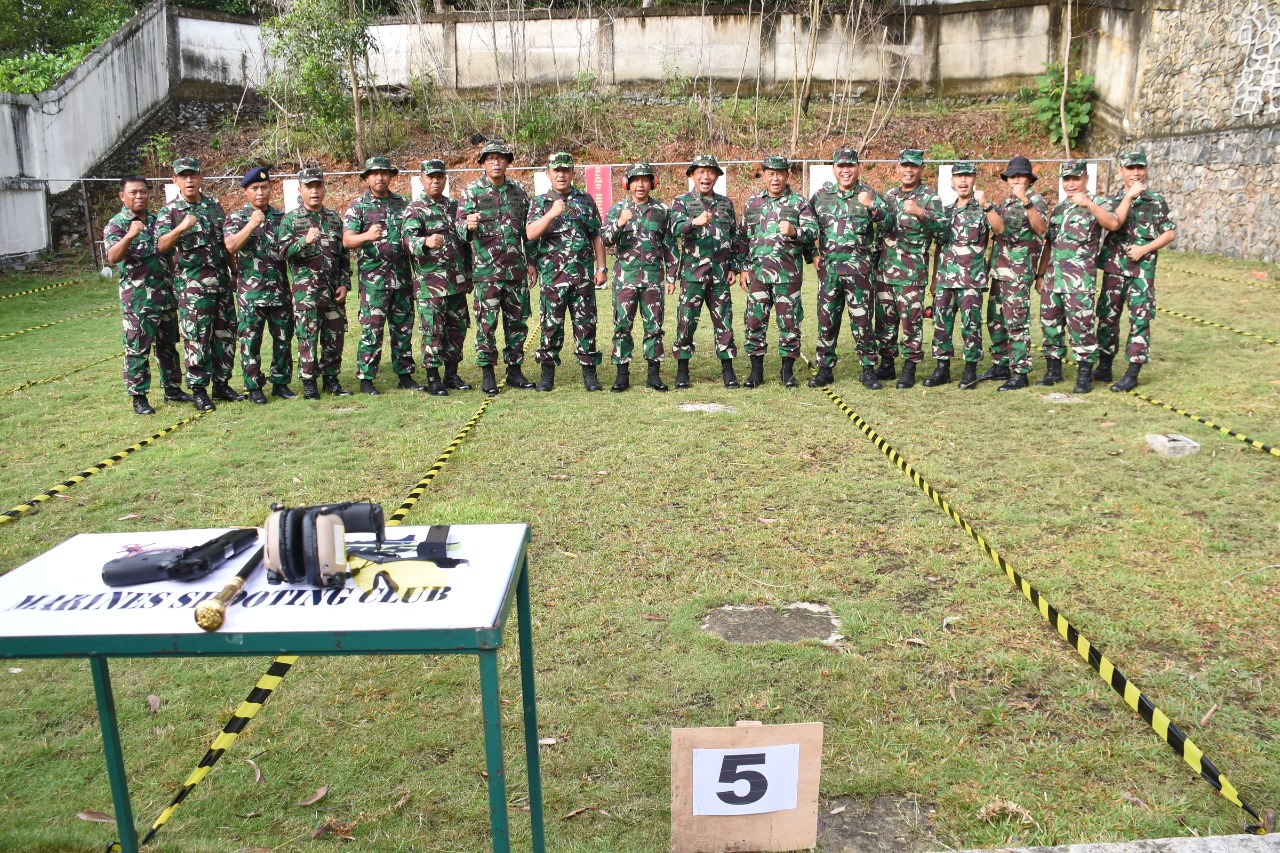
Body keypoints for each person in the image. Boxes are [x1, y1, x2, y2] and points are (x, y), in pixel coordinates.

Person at [155, 157, 241, 411]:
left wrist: (234, 270)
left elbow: (225, 244)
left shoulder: (214, 206)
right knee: (197, 337)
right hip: (193, 288)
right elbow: (161, 246)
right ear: (175, 181)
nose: (189, 180)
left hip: (221, 284)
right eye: (183, 176)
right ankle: (199, 389)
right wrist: (181, 228)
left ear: (201, 178)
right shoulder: (169, 212)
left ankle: (222, 384)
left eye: (193, 175)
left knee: (225, 334)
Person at [103, 175, 191, 414]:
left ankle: (173, 389)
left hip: (165, 296)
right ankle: (139, 397)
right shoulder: (117, 224)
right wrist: (130, 234)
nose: (139, 196)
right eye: (133, 192)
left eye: (143, 191)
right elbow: (112, 257)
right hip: (138, 301)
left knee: (168, 346)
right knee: (137, 349)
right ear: (123, 196)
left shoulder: (158, 220)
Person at [457, 138, 535, 395]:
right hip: (487, 274)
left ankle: (514, 370)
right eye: (490, 158)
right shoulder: (472, 192)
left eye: (500, 158)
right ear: (482, 163)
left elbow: (529, 231)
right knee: (486, 324)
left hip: (515, 271)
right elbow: (459, 230)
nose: (496, 162)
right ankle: (488, 373)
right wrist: (466, 226)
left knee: (517, 323)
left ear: (508, 162)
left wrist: (531, 261)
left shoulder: (518, 192)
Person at [1095, 150, 1176, 392]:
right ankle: (1105, 365)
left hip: (1142, 272)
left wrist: (1144, 249)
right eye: (1130, 168)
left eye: (1140, 167)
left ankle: (1132, 372)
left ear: (1146, 169)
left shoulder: (1156, 201)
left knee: (1140, 319)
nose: (1136, 172)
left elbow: (1169, 233)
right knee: (1107, 318)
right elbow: (1111, 222)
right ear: (1121, 171)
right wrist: (1128, 198)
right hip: (1115, 269)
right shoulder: (1112, 201)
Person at [1036, 160, 1120, 393]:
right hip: (1054, 278)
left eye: (1075, 179)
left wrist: (1089, 204)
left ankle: (1084, 374)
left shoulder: (1099, 203)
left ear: (1086, 178)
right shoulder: (1060, 208)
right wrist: (1041, 274)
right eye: (1067, 179)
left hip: (1079, 281)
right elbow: (1050, 244)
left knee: (1081, 327)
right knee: (1050, 325)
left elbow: (1112, 223)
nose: (1071, 184)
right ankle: (1053, 369)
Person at [526, 152, 607, 391]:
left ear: (573, 173)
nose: (561, 175)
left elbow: (597, 234)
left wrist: (601, 267)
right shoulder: (540, 202)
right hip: (553, 277)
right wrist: (552, 213)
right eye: (556, 171)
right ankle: (547, 374)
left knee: (586, 324)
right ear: (549, 173)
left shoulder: (585, 199)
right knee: (551, 325)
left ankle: (589, 373)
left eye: (565, 170)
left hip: (582, 275)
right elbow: (530, 234)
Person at [807, 147, 886, 389]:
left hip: (859, 273)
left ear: (857, 167)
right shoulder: (821, 196)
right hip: (830, 272)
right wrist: (813, 255)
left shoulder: (869, 195)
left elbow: (888, 226)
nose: (845, 170)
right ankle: (824, 369)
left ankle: (868, 369)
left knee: (862, 321)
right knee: (826, 319)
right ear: (834, 168)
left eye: (850, 166)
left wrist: (872, 207)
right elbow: (807, 227)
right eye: (840, 166)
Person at [343, 156, 422, 395]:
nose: (380, 177)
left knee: (403, 329)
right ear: (367, 178)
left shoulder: (403, 204)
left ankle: (405, 374)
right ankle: (367, 378)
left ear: (390, 176)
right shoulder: (358, 206)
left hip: (402, 279)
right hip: (374, 282)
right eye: (374, 173)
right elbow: (347, 240)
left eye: (384, 173)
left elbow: (412, 237)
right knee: (372, 330)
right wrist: (366, 236)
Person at [739, 155, 817, 388]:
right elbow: (742, 238)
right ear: (763, 175)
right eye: (770, 173)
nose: (775, 178)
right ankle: (756, 372)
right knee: (754, 322)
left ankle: (787, 371)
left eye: (780, 173)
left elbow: (813, 231)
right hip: (759, 276)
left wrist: (795, 232)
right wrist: (744, 268)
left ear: (787, 175)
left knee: (790, 324)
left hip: (787, 276)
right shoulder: (752, 203)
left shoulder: (799, 203)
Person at [924, 161, 1004, 389]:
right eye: (959, 176)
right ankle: (942, 369)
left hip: (971, 279)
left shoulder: (983, 209)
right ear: (951, 181)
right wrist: (934, 278)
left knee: (971, 324)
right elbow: (939, 245)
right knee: (941, 323)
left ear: (974, 179)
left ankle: (970, 370)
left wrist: (987, 205)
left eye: (967, 176)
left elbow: (999, 230)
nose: (963, 180)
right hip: (946, 279)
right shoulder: (946, 212)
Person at [601, 162, 678, 392]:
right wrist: (620, 223)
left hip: (653, 279)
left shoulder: (662, 211)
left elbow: (670, 245)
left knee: (654, 326)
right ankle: (622, 375)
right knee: (622, 326)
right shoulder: (617, 210)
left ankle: (653, 375)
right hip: (625, 279)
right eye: (635, 180)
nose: (640, 185)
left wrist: (672, 275)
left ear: (652, 183)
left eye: (645, 179)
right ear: (627, 184)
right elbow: (605, 240)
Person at [669, 154, 743, 389]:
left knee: (724, 322)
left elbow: (734, 236)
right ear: (692, 175)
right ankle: (682, 369)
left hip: (721, 274)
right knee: (686, 321)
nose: (706, 176)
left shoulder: (725, 203)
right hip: (693, 274)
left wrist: (734, 266)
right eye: (700, 172)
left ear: (717, 177)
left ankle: (728, 370)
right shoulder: (681, 202)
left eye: (711, 172)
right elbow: (675, 229)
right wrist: (694, 222)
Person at [277, 167, 352, 399]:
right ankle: (309, 383)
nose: (314, 191)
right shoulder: (290, 219)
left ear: (324, 188)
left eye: (318, 186)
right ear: (300, 190)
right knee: (307, 338)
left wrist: (344, 284)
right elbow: (282, 252)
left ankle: (331, 379)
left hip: (332, 291)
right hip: (306, 293)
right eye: (309, 187)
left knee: (334, 337)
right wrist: (304, 241)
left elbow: (343, 256)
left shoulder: (333, 219)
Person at [403, 159, 473, 396]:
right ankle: (433, 378)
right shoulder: (415, 209)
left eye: (439, 177)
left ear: (445, 179)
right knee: (433, 331)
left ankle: (451, 375)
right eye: (430, 177)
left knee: (457, 329)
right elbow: (407, 242)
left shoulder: (455, 206)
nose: (435, 181)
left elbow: (466, 244)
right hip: (430, 284)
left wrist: (469, 275)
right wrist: (425, 242)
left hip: (456, 282)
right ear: (421, 179)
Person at [876, 149, 945, 389]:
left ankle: (910, 367)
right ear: (898, 168)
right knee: (885, 320)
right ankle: (886, 364)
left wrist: (921, 212)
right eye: (905, 165)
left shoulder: (929, 197)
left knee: (910, 322)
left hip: (911, 273)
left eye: (914, 166)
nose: (908, 170)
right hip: (885, 271)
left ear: (921, 169)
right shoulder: (890, 195)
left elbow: (943, 232)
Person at [224, 166, 294, 404]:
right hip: (251, 294)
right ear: (245, 191)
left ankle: (281, 383)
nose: (260, 193)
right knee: (250, 341)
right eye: (254, 188)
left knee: (283, 339)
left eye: (264, 187)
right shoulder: (236, 218)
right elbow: (231, 246)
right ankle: (254, 386)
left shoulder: (282, 218)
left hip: (280, 291)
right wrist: (252, 224)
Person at [984, 156, 1049, 391]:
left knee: (1016, 323)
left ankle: (1020, 372)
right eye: (1012, 176)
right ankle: (1001, 363)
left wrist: (1026, 202)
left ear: (1029, 179)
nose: (1016, 180)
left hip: (1019, 272)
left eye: (1021, 176)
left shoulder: (1036, 201)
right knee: (995, 319)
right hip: (1000, 271)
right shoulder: (1007, 202)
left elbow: (1041, 229)